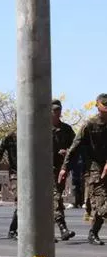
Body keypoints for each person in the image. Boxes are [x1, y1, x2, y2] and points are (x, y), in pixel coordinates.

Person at [59, 93, 107, 246]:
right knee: (101, 203)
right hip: (94, 169)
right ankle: (93, 232)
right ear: (97, 106)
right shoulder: (89, 125)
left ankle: (93, 231)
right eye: (103, 106)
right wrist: (64, 168)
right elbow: (74, 147)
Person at [51, 99, 76, 240]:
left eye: (59, 110)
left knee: (54, 200)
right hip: (45, 169)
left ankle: (47, 231)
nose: (57, 113)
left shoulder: (66, 129)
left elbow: (75, 147)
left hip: (60, 170)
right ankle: (62, 228)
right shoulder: (41, 128)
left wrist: (67, 152)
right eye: (54, 110)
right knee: (56, 198)